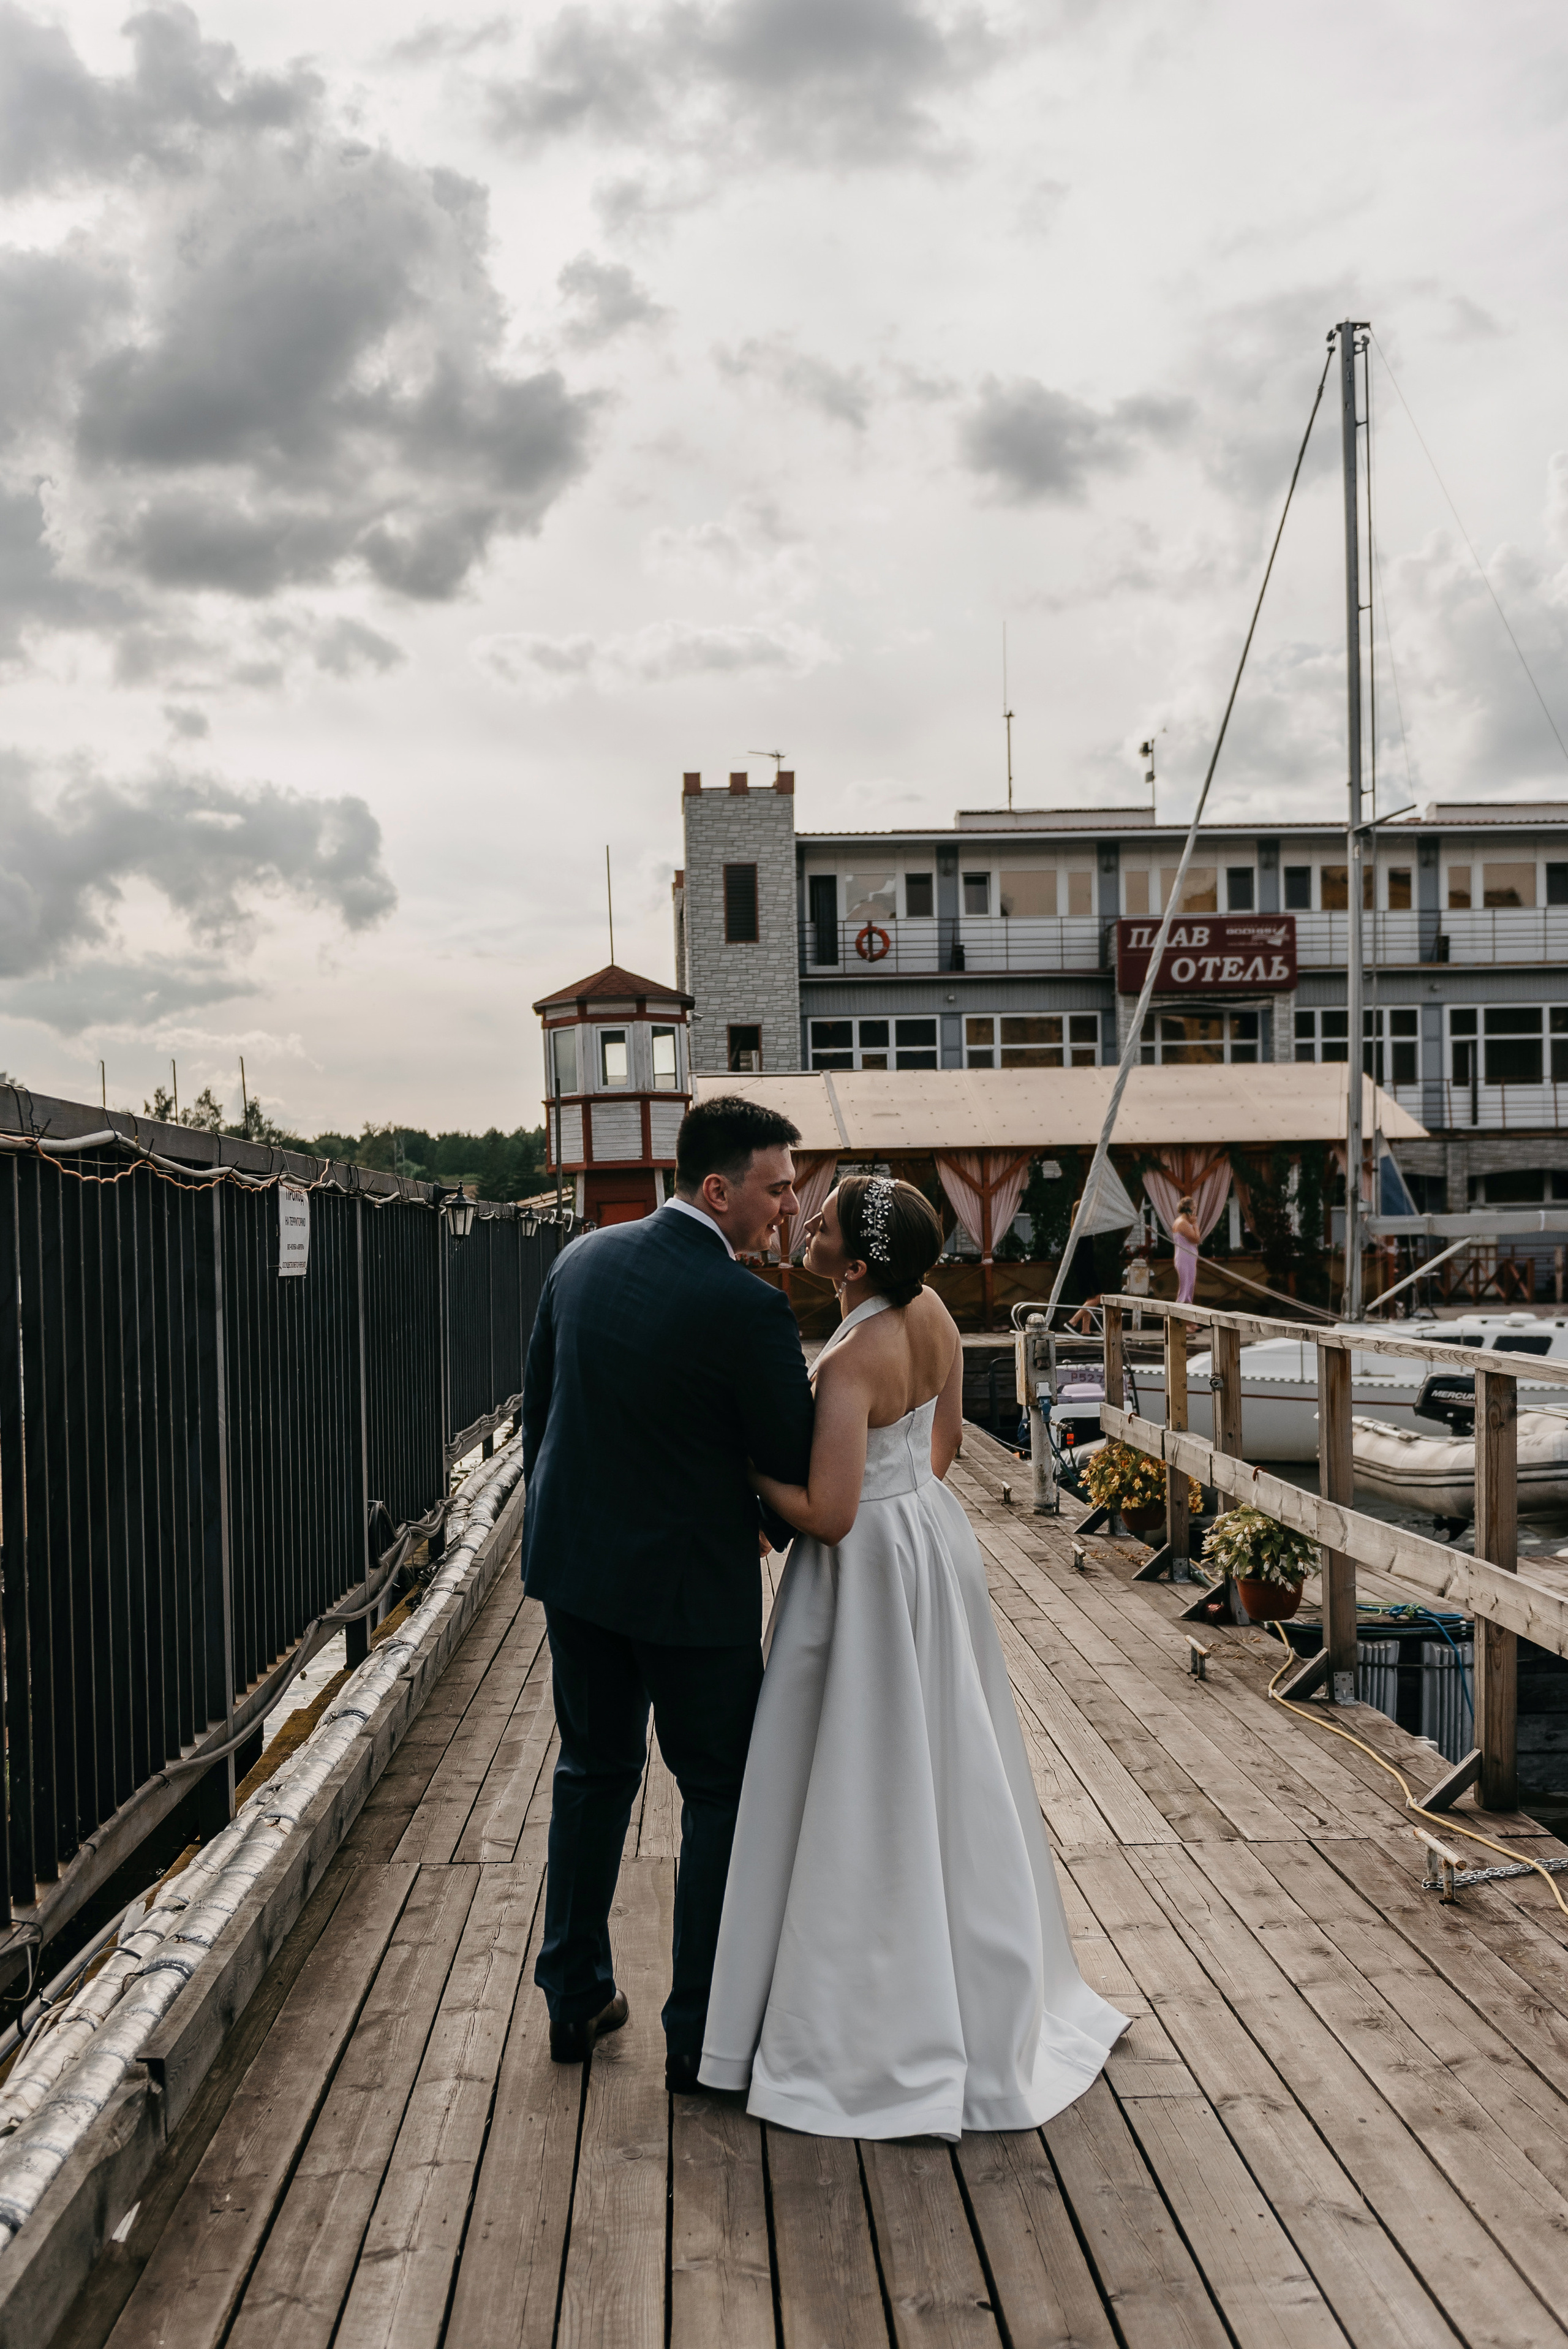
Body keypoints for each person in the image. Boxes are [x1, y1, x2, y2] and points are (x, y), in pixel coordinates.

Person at [699, 1176, 1127, 2137]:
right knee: (942, 1747)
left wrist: (745, 1465)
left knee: (863, 1766)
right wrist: (906, 1501)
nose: (806, 1222)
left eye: (823, 1222)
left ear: (854, 1264)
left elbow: (827, 1513)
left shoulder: (852, 1356)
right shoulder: (930, 1310)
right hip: (930, 1542)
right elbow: (944, 1442)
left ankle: (870, 2006)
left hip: (862, 1570)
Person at [520, 1095, 814, 2092]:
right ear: (719, 1189)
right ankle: (700, 2033)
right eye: (778, 1188)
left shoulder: (580, 1260)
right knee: (719, 1791)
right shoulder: (749, 1306)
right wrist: (761, 1515)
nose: (789, 1206)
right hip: (691, 1590)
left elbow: (543, 1415)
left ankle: (573, 1992)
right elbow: (792, 1456)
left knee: (591, 1771)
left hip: (579, 1571)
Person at [1172, 1193, 1200, 1304]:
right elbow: (1196, 1239)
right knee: (1186, 1287)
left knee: (1189, 1285)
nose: (1194, 1211)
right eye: (1193, 1208)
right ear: (1188, 1208)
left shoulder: (1182, 1221)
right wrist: (1195, 1224)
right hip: (1185, 1257)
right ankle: (1182, 1307)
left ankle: (1187, 1306)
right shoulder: (1182, 1223)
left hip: (1188, 1256)